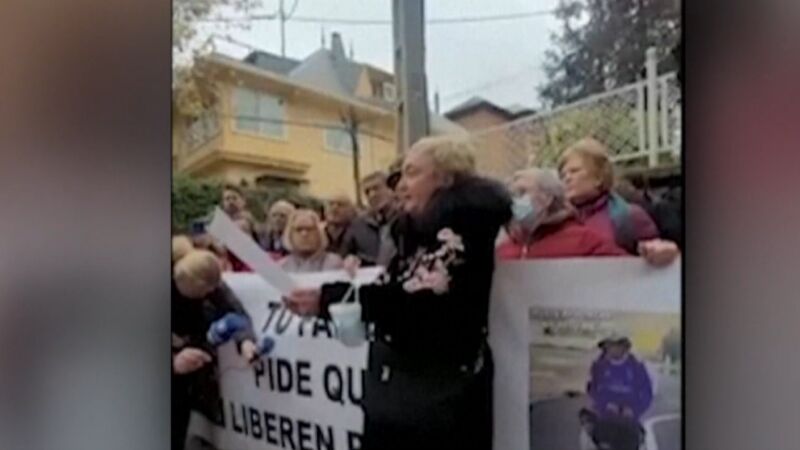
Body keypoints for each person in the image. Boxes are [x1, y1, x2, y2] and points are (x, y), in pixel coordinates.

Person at [285, 136, 511, 449]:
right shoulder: (413, 234)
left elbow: (420, 305)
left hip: (438, 404)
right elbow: (392, 290)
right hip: (399, 395)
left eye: (412, 173)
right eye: (399, 176)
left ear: (445, 178)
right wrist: (332, 301)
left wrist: (332, 297)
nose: (401, 186)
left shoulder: (464, 230)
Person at [171, 250, 257, 450]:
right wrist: (173, 362)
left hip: (187, 371)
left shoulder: (212, 285)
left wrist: (245, 341)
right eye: (203, 291)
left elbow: (235, 311)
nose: (208, 295)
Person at [558, 138, 679, 266]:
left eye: (574, 171)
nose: (567, 178)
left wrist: (663, 253)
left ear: (599, 177)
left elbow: (658, 260)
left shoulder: (629, 216)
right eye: (563, 175)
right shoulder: (557, 221)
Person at [497, 168, 626, 259]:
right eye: (511, 195)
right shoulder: (502, 250)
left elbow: (626, 274)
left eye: (521, 193)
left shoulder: (584, 242)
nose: (514, 201)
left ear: (547, 198)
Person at [587, 332, 654, 422]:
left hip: (629, 419)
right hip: (604, 418)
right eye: (607, 345)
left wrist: (634, 410)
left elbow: (646, 392)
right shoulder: (599, 365)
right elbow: (592, 390)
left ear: (624, 346)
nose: (608, 348)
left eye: (612, 345)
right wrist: (604, 405)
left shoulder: (636, 366)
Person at [343, 171, 398, 267]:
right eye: (367, 192)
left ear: (391, 189)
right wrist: (350, 259)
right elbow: (346, 254)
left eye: (376, 188)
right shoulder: (358, 226)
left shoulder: (408, 219)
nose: (372, 195)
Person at [279, 209, 344, 273]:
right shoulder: (281, 266)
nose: (304, 234)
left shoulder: (334, 263)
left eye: (309, 229)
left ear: (319, 234)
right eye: (299, 229)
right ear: (290, 235)